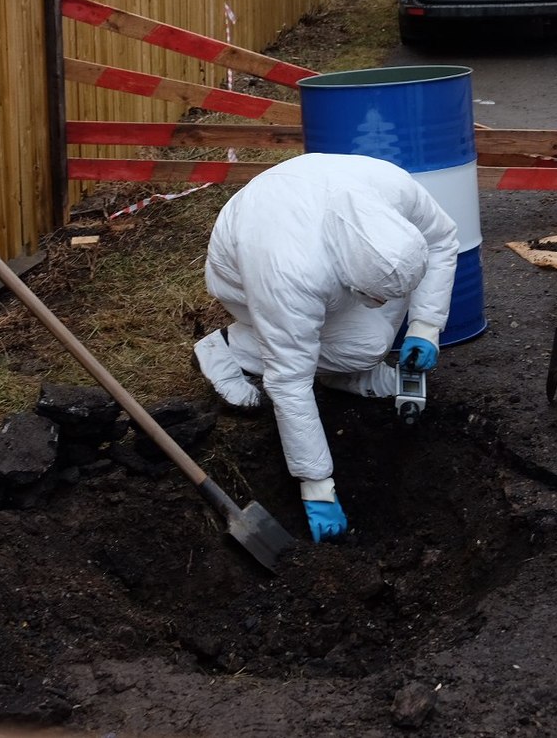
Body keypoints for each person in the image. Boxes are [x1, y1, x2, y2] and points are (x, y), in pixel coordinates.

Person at [193, 152, 459, 540]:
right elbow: (289, 382)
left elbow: (441, 238)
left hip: (314, 238)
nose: (384, 307)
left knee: (370, 341)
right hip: (244, 276)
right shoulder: (288, 272)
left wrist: (425, 325)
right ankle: (228, 347)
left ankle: (343, 373)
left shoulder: (393, 189)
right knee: (345, 344)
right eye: (374, 297)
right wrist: (316, 485)